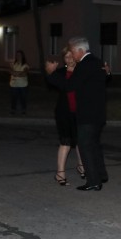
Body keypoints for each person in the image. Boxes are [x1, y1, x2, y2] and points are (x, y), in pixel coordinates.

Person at [45, 37, 109, 192]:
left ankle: (93, 181)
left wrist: (51, 73)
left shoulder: (84, 65)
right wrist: (108, 73)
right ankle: (101, 175)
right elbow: (103, 79)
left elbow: (69, 86)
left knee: (86, 146)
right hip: (98, 113)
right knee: (94, 145)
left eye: (73, 52)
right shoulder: (97, 61)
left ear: (80, 50)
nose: (72, 55)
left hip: (87, 113)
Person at [47, 49, 85, 186]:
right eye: (67, 57)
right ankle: (60, 173)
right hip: (64, 112)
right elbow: (54, 83)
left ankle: (81, 166)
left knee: (80, 140)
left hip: (80, 112)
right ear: (64, 59)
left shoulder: (82, 71)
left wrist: (107, 72)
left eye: (72, 56)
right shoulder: (60, 73)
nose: (70, 59)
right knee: (66, 142)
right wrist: (50, 72)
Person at [9, 50, 29, 115]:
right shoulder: (13, 64)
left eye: (19, 55)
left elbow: (24, 74)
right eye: (17, 55)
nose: (18, 56)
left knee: (23, 98)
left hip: (22, 85)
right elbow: (10, 71)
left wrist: (15, 73)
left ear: (22, 56)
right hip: (13, 84)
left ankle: (24, 110)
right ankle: (13, 109)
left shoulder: (25, 65)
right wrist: (19, 73)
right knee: (13, 98)